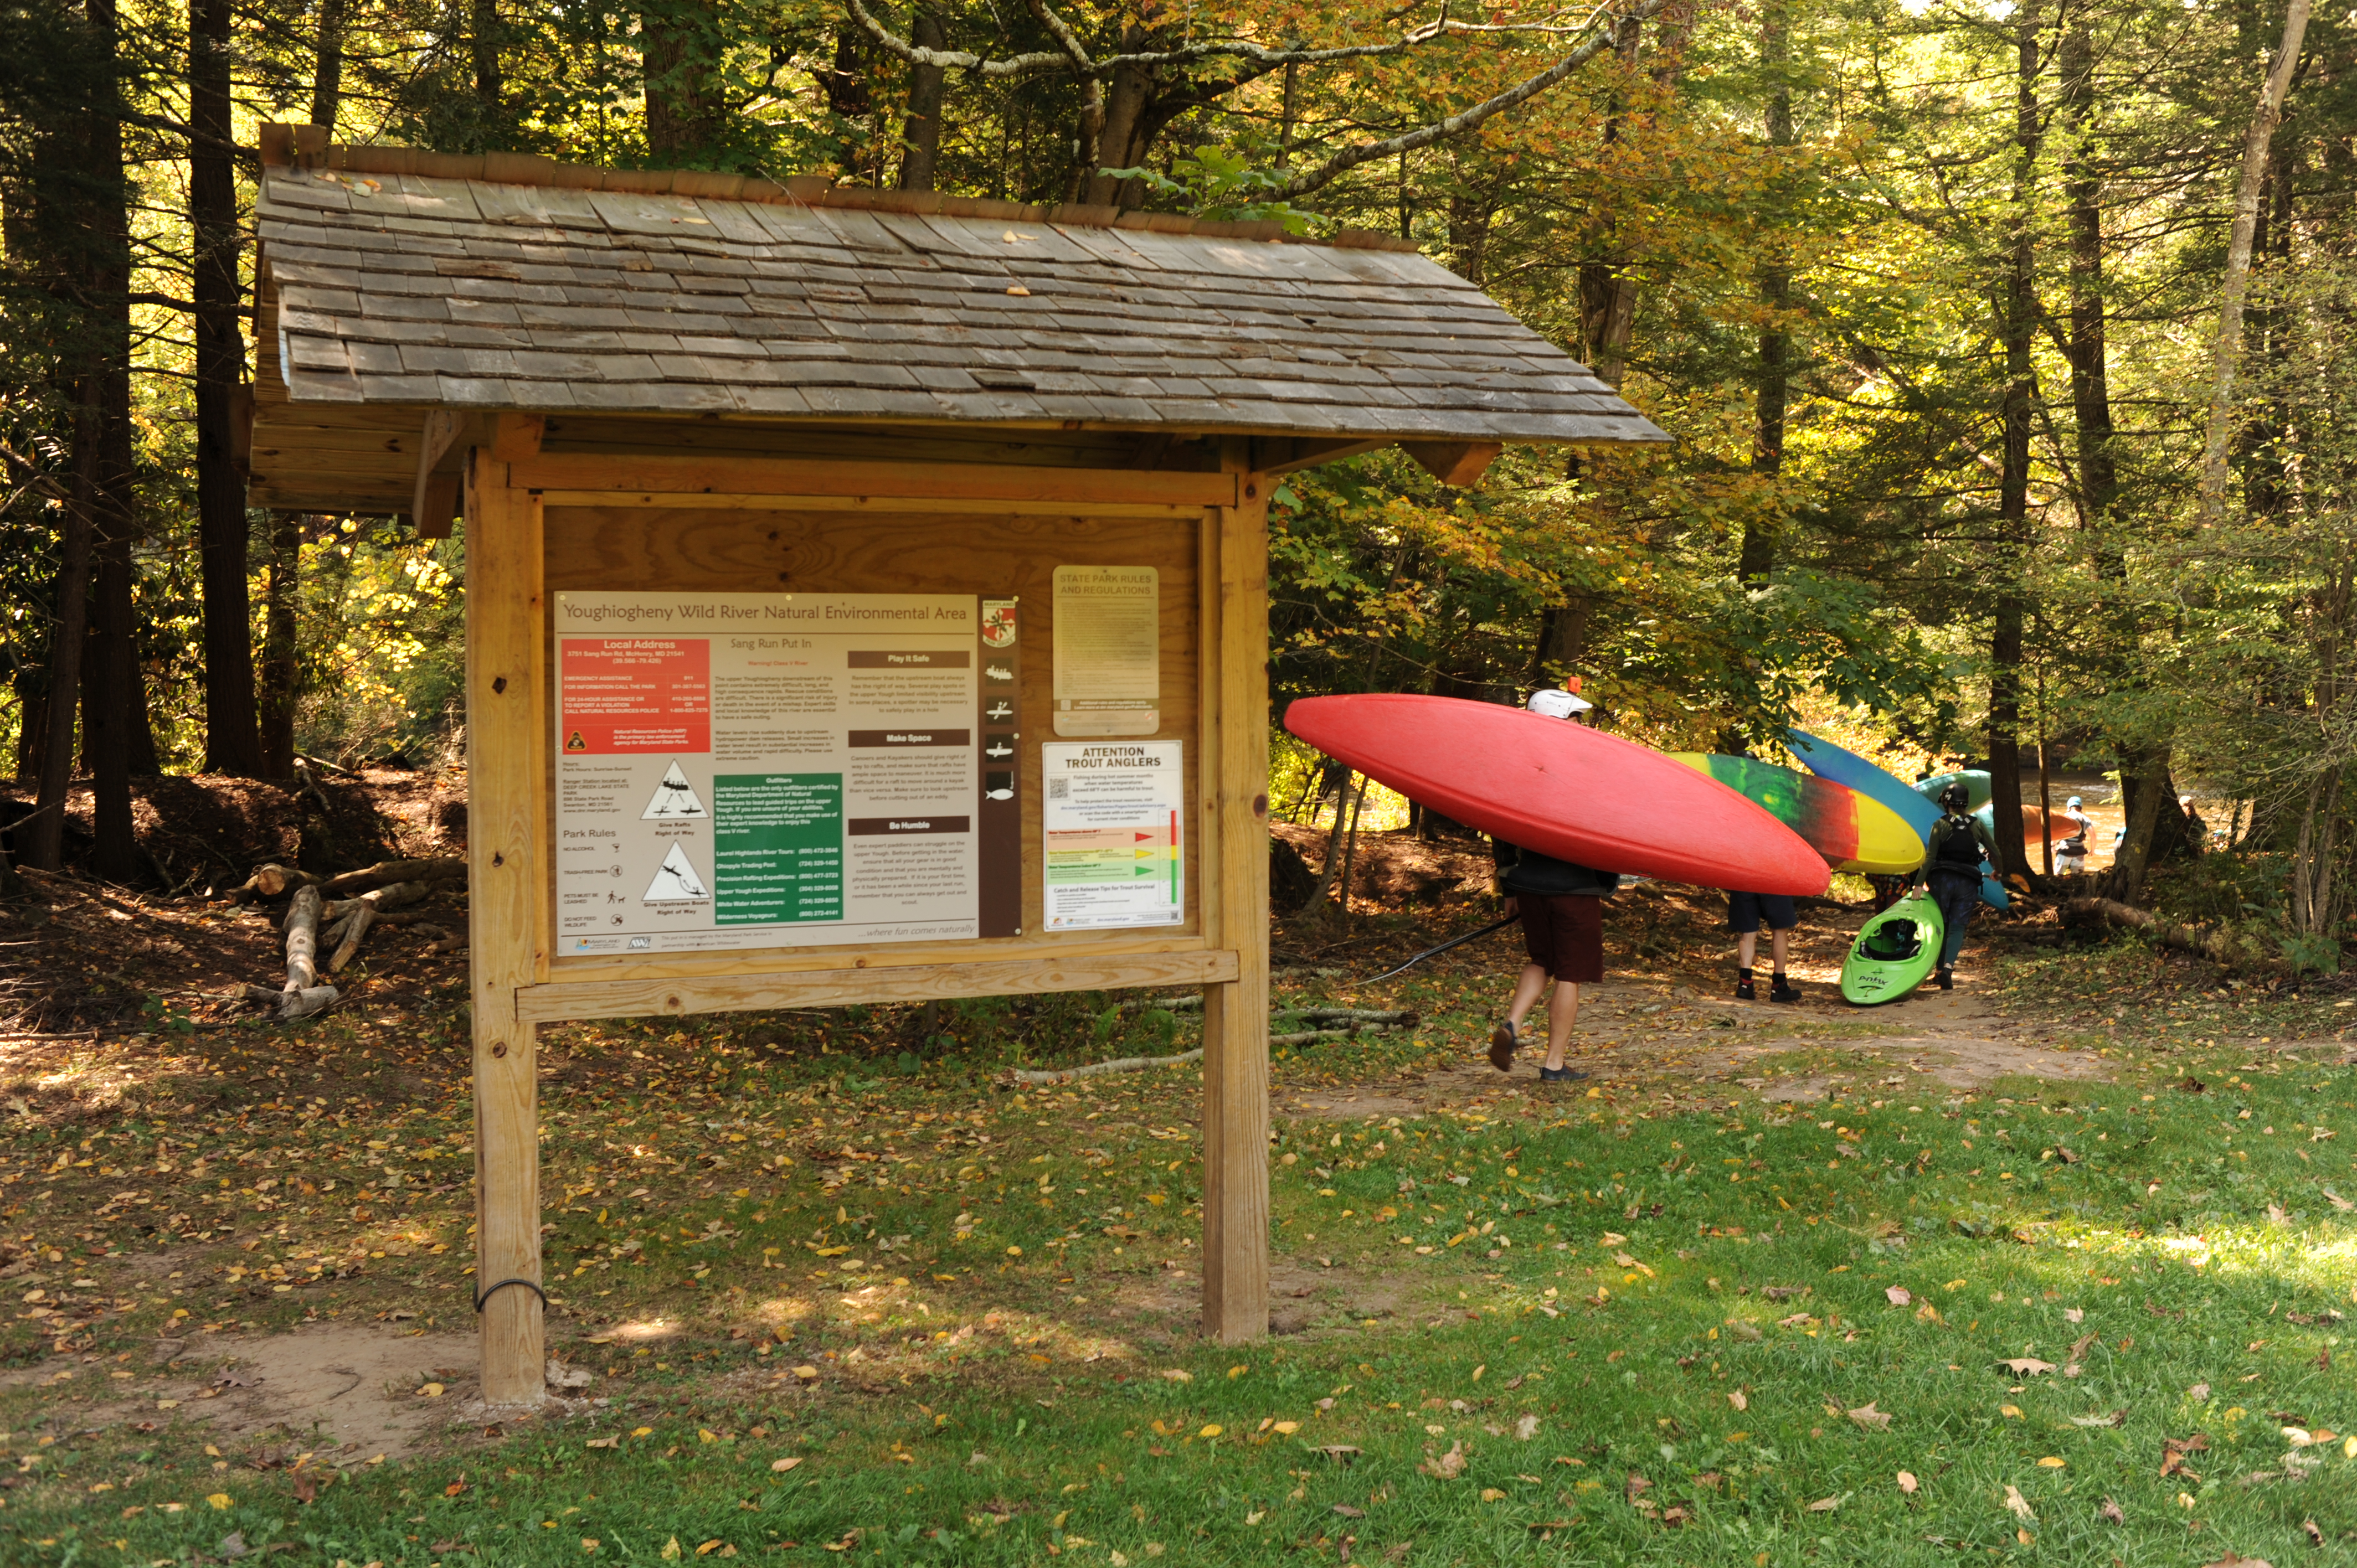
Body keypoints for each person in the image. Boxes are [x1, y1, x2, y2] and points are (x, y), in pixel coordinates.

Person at [1488, 688, 1620, 1082]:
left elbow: (1501, 831)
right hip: (1573, 890)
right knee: (1569, 975)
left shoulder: (1521, 771)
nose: (1583, 726)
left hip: (1529, 884)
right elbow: (1607, 826)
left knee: (1541, 961)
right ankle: (1554, 1065)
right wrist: (1609, 879)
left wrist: (1510, 889)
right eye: (1577, 718)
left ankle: (1512, 1023)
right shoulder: (1587, 770)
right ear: (1562, 721)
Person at [1916, 781, 1999, 990]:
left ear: (1946, 802)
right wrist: (1999, 871)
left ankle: (1935, 970)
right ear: (1966, 802)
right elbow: (1995, 852)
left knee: (1940, 925)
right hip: (1968, 881)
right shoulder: (1977, 824)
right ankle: (1947, 969)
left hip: (1941, 880)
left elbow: (1930, 857)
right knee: (1957, 927)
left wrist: (1918, 884)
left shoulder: (1940, 824)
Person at [1728, 891, 1800, 1001]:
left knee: (1747, 931)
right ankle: (1779, 986)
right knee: (1780, 930)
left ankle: (1745, 984)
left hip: (1745, 879)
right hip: (1775, 881)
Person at [2055, 795, 2092, 873]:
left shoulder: (2064, 817)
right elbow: (2093, 835)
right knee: (2077, 877)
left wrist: (2053, 846)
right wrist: (2093, 850)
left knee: (2059, 876)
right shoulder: (2085, 819)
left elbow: (2056, 833)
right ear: (2080, 807)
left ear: (2069, 807)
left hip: (2065, 850)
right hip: (2079, 851)